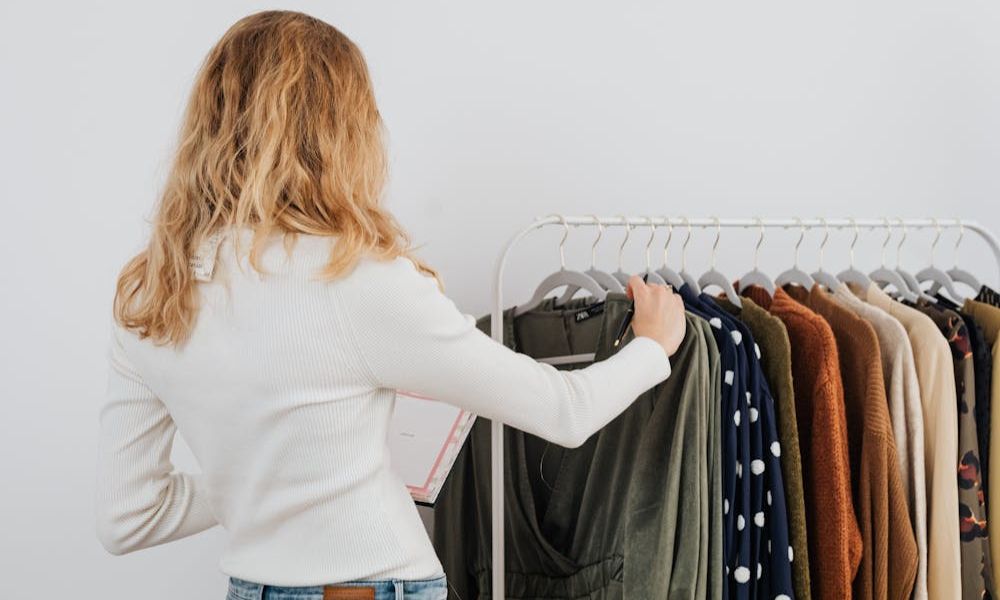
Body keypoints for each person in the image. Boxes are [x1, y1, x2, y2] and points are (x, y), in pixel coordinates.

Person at [94, 10, 687, 600]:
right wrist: (651, 346)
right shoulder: (355, 278)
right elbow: (564, 412)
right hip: (371, 586)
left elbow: (128, 518)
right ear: (342, 131)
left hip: (252, 588)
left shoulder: (151, 293)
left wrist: (254, 479)